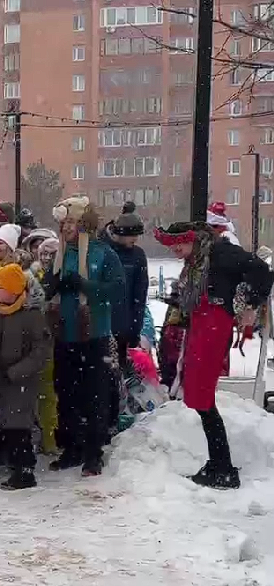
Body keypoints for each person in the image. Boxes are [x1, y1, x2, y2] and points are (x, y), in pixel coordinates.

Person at [155, 221, 274, 489]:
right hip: (201, 324)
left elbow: (262, 271)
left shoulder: (221, 253)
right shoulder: (197, 259)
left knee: (202, 396)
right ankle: (219, 463)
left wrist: (251, 304)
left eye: (179, 243)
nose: (175, 249)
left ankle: (223, 467)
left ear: (193, 239)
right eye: (170, 245)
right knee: (198, 396)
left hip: (215, 324)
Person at [42, 196, 125, 477]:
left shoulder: (103, 253)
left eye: (71, 222)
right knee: (66, 395)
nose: (65, 228)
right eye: (63, 223)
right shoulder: (60, 254)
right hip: (64, 335)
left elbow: (116, 289)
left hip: (94, 335)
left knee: (95, 396)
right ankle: (72, 448)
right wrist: (51, 284)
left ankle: (93, 454)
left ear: (84, 224)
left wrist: (86, 286)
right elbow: (45, 288)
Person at [0, 264, 51, 490]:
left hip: (21, 380)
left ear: (14, 290)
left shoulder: (32, 315)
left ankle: (24, 470)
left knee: (18, 425)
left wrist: (16, 371)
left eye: (0, 286)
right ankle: (6, 462)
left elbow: (40, 351)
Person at [104, 202, 149, 369]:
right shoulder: (102, 250)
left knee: (121, 373)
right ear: (120, 234)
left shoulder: (137, 256)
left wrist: (135, 330)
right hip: (101, 326)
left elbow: (140, 295)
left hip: (124, 327)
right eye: (133, 235)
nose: (136, 240)